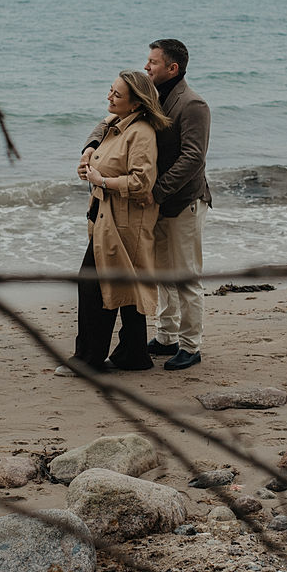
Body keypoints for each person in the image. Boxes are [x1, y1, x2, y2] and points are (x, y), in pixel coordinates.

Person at [79, 39, 211, 371]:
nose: (146, 66)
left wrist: (156, 191)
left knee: (185, 276)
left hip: (182, 201)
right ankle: (165, 337)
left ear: (172, 68)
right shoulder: (149, 95)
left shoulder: (192, 104)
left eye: (152, 62)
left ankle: (191, 345)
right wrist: (91, 146)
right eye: (147, 61)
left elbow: (193, 158)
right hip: (151, 205)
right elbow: (107, 121)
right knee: (160, 273)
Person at [55, 70, 171, 376]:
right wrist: (88, 155)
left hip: (124, 224)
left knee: (93, 286)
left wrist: (102, 180)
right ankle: (133, 355)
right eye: (110, 90)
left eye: (117, 95)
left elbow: (142, 182)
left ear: (136, 103)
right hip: (107, 218)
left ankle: (88, 360)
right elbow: (101, 127)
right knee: (126, 288)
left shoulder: (141, 133)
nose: (109, 97)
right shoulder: (116, 123)